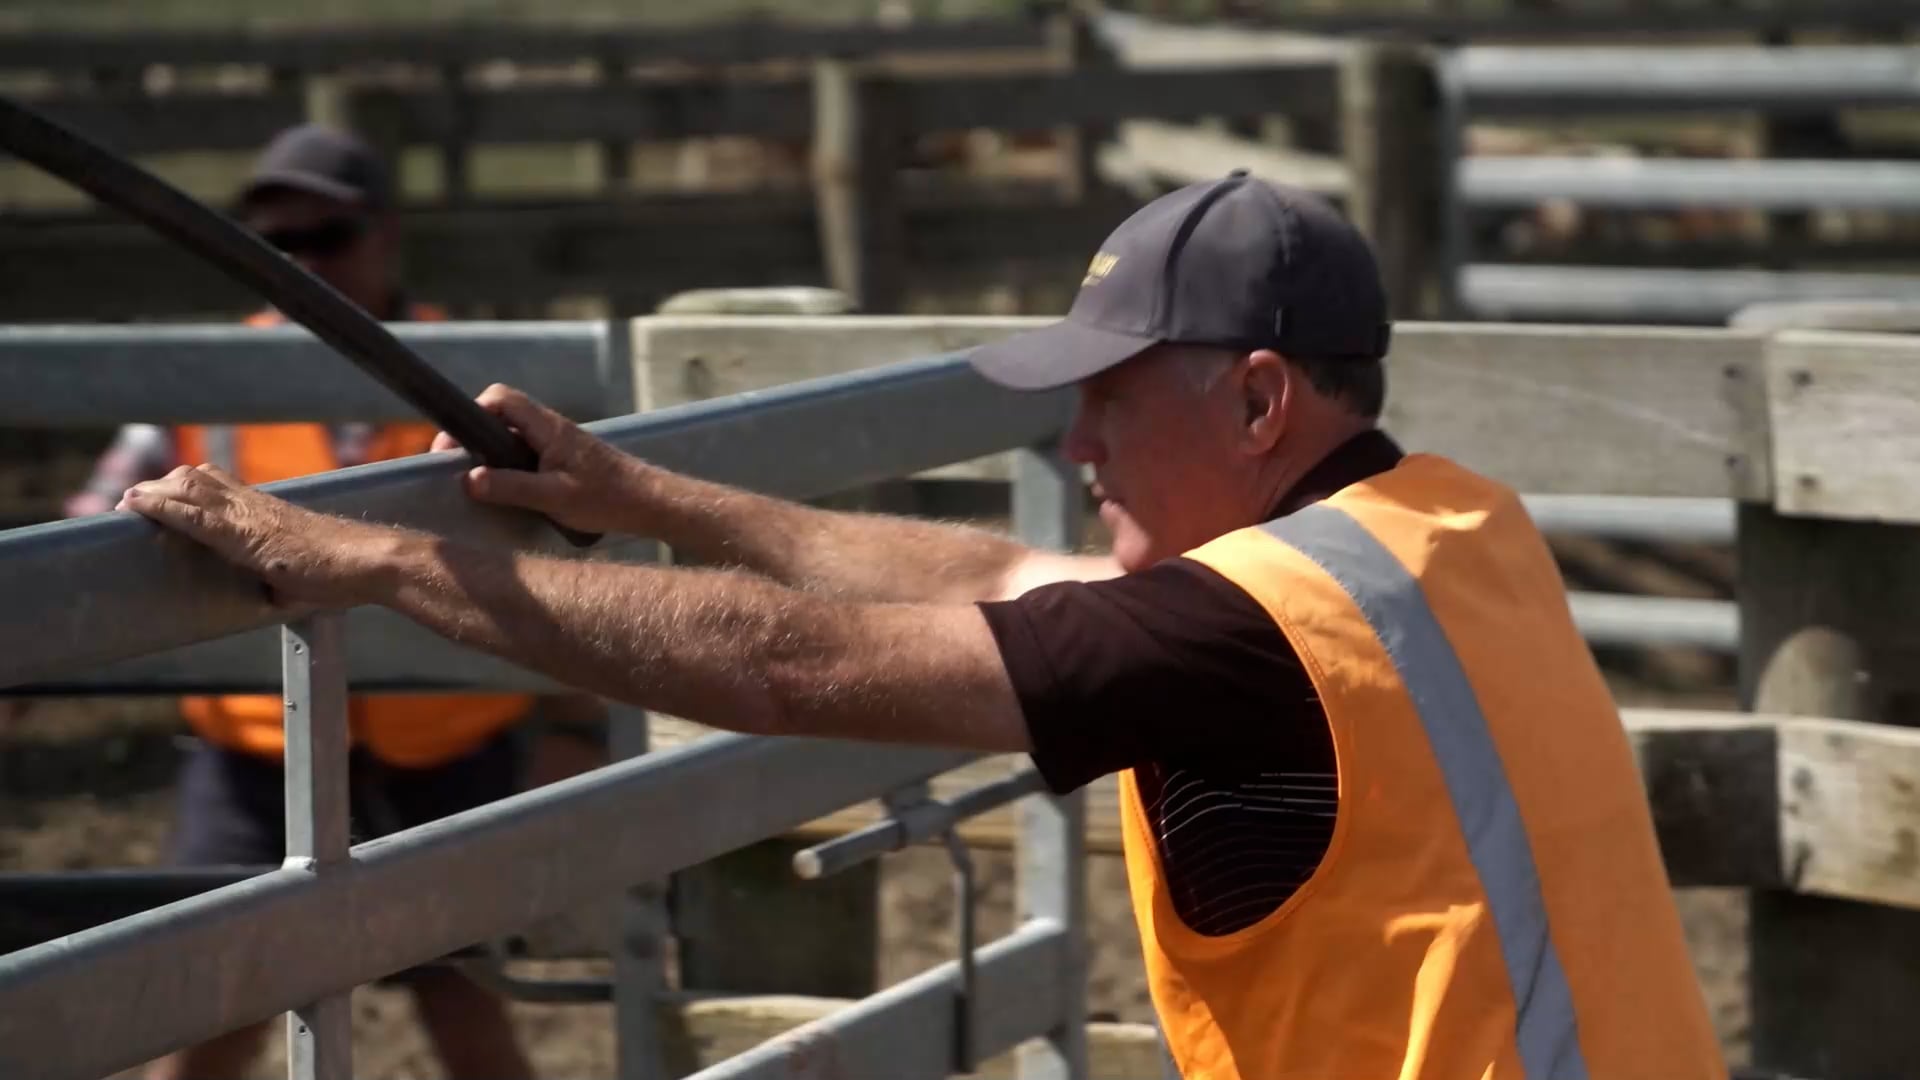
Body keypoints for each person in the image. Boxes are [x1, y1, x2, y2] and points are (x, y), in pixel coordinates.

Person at [118, 170, 1727, 1078]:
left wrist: (375, 565)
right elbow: (988, 585)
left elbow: (796, 666)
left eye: (1106, 401)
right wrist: (646, 496)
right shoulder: (1448, 526)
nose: (1075, 449)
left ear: (1255, 398)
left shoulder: (1246, 628)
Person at [68, 124, 596, 1080]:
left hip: (441, 738)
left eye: (328, 238)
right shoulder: (210, 377)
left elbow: (561, 552)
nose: (303, 263)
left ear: (385, 235)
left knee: (461, 985)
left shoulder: (471, 378)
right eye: (279, 243)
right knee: (218, 989)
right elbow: (92, 526)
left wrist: (572, 724)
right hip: (255, 744)